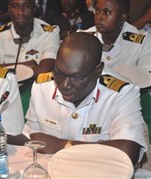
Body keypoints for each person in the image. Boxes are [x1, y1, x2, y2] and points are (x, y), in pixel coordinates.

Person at [8, 32, 147, 165]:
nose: (65, 85)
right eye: (59, 73)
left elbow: (128, 151)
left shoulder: (121, 93)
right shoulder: (42, 86)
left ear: (98, 70)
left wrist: (63, 145)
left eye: (77, 77)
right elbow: (33, 136)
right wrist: (6, 138)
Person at [0, 0, 60, 77]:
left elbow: (44, 70)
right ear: (9, 9)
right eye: (15, 6)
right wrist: (27, 65)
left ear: (34, 9)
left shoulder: (49, 33)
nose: (20, 12)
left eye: (26, 6)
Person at [81, 0, 151, 86]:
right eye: (97, 11)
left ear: (123, 17)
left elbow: (147, 78)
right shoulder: (83, 38)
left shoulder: (142, 42)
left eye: (106, 13)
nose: (99, 17)